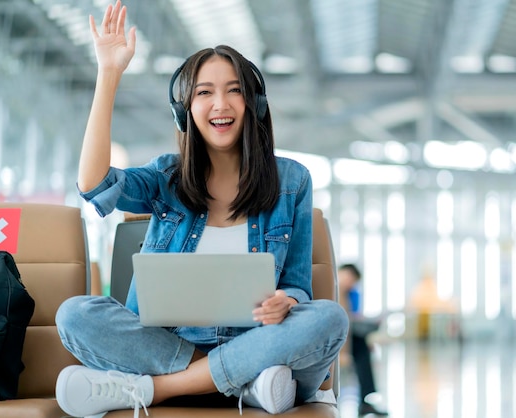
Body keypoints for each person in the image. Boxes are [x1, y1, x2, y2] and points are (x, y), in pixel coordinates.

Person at [54, 2, 348, 417]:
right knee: (75, 314)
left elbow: (298, 285)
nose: (220, 104)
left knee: (328, 318)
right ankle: (245, 387)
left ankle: (157, 390)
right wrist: (108, 74)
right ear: (185, 110)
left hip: (261, 341)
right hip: (183, 347)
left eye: (234, 90)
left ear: (254, 105)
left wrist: (288, 301)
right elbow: (94, 184)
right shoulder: (165, 177)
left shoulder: (293, 180)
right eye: (204, 92)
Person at [338, 263, 388, 416]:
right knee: (361, 348)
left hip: (345, 335)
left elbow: (348, 324)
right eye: (351, 280)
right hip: (332, 338)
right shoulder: (334, 290)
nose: (352, 285)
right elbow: (341, 327)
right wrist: (343, 352)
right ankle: (365, 401)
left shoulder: (345, 293)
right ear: (344, 273)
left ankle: (366, 401)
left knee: (362, 347)